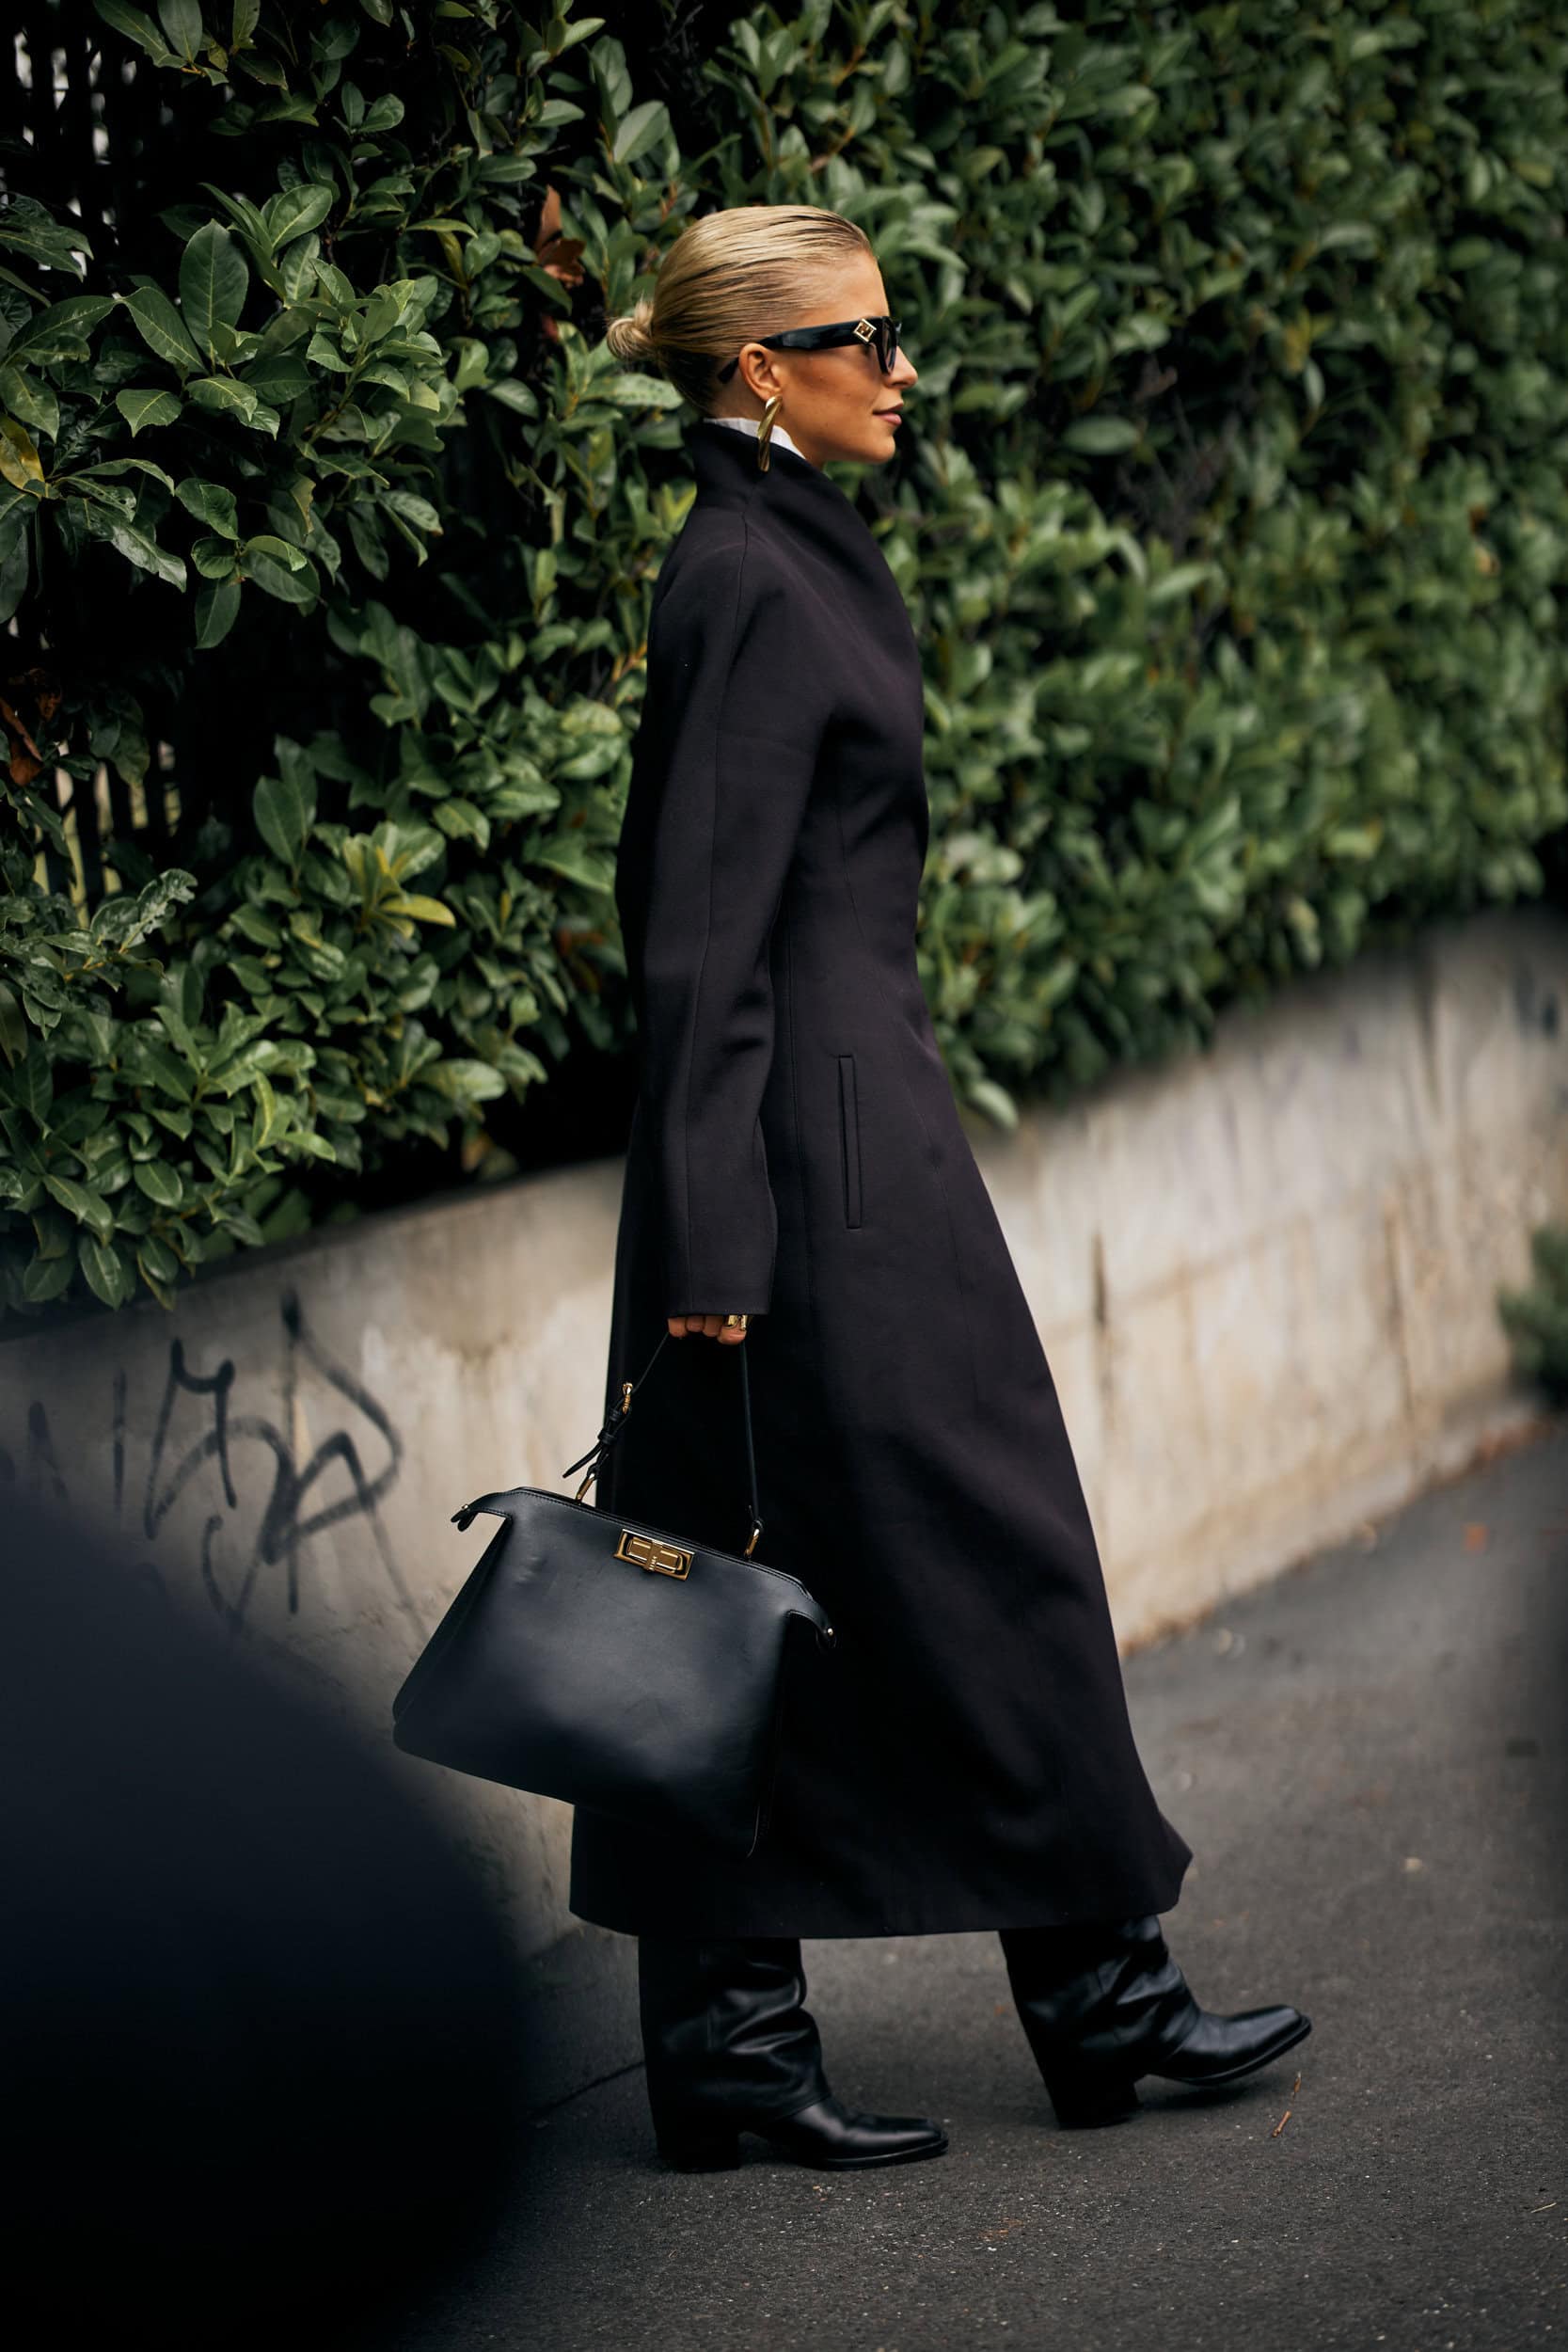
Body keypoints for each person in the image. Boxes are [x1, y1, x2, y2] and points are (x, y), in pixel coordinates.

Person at [574, 202, 1310, 2170]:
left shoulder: (794, 544)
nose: (901, 370)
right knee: (849, 1564)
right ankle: (872, 2021)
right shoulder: (742, 571)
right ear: (760, 369)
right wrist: (713, 1229)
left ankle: (1028, 1996)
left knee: (854, 1569)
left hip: (854, 1123)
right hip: (800, 1164)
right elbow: (696, 930)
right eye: (864, 336)